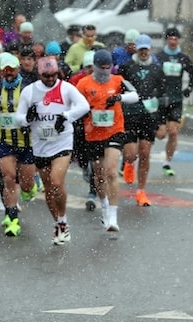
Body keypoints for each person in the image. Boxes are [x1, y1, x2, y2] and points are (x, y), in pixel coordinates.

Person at [17, 56, 91, 245]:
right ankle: (58, 222)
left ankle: (63, 219)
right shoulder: (29, 91)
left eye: (53, 75)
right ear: (39, 74)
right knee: (49, 189)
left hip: (62, 142)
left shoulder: (66, 88)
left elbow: (84, 106)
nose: (50, 79)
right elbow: (19, 118)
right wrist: (28, 118)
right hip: (41, 145)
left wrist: (66, 116)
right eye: (46, 76)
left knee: (56, 182)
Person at [75, 50, 140, 233]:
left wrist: (119, 97)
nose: (105, 71)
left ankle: (113, 216)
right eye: (101, 68)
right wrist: (85, 111)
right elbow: (75, 104)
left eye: (108, 68)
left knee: (111, 171)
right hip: (93, 133)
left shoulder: (118, 80)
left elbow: (135, 96)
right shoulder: (83, 84)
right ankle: (104, 204)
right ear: (94, 67)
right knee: (99, 174)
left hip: (114, 130)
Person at [0, 52, 35, 237]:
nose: (9, 72)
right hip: (4, 141)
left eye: (12, 69)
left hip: (27, 141)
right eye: (5, 70)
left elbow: (37, 110)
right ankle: (12, 219)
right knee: (9, 178)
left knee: (26, 185)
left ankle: (29, 188)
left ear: (18, 69)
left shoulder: (28, 88)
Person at [116, 35, 166, 207]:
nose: (143, 52)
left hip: (149, 115)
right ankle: (129, 163)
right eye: (141, 49)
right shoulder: (126, 67)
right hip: (130, 114)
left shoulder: (157, 69)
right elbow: (119, 90)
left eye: (146, 49)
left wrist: (162, 122)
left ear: (150, 49)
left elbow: (162, 95)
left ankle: (141, 191)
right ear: (136, 49)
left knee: (145, 153)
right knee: (131, 153)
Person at [157, 27, 193, 176]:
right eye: (170, 38)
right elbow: (153, 74)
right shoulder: (159, 57)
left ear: (179, 40)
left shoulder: (183, 57)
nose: (173, 41)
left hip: (176, 99)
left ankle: (167, 162)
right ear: (166, 40)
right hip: (161, 100)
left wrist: (188, 89)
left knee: (173, 132)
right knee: (161, 134)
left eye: (175, 39)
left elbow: (192, 75)